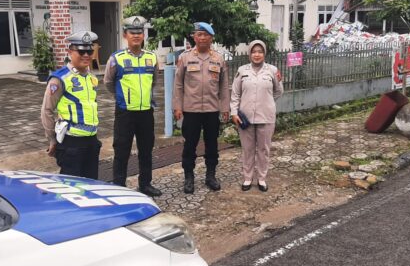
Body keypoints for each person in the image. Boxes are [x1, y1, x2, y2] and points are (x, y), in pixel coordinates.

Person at [104, 16, 162, 197]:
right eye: (132, 32)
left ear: (143, 35)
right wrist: (122, 97)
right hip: (125, 113)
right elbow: (108, 83)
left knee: (146, 150)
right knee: (121, 150)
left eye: (139, 32)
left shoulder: (152, 57)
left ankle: (145, 184)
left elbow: (154, 81)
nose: (136, 36)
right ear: (125, 35)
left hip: (146, 112)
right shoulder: (116, 58)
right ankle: (119, 186)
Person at [173, 22, 230, 194]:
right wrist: (177, 107)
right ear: (194, 37)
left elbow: (224, 85)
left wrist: (225, 108)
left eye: (206, 35)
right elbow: (178, 84)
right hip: (191, 110)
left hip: (212, 110)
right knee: (190, 145)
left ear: (211, 38)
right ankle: (189, 177)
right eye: (199, 34)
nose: (203, 38)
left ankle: (210, 176)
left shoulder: (218, 59)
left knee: (212, 145)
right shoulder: (185, 57)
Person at [41, 30, 101, 179]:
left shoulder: (90, 77)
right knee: (72, 186)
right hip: (71, 143)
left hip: (91, 140)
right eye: (81, 51)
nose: (86, 55)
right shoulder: (59, 79)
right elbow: (47, 110)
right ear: (70, 52)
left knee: (91, 184)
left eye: (89, 51)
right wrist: (52, 140)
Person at [230, 40, 283, 192]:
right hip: (245, 118)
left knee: (263, 150)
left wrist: (266, 102)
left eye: (260, 51)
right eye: (254, 52)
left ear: (264, 54)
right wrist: (234, 112)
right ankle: (247, 178)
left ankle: (261, 179)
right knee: (247, 149)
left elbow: (279, 91)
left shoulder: (272, 70)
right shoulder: (242, 71)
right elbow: (235, 93)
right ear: (250, 54)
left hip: (266, 117)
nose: (257, 54)